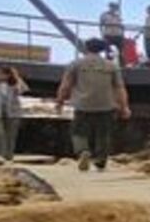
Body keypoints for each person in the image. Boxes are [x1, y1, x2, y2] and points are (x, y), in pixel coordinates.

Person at [56, 38, 130, 171]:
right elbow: (120, 88)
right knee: (103, 134)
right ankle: (101, 160)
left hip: (82, 105)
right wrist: (124, 107)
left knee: (78, 132)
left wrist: (60, 102)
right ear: (101, 49)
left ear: (86, 48)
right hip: (106, 105)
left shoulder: (75, 64)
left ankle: (83, 151)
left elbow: (65, 86)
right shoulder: (111, 66)